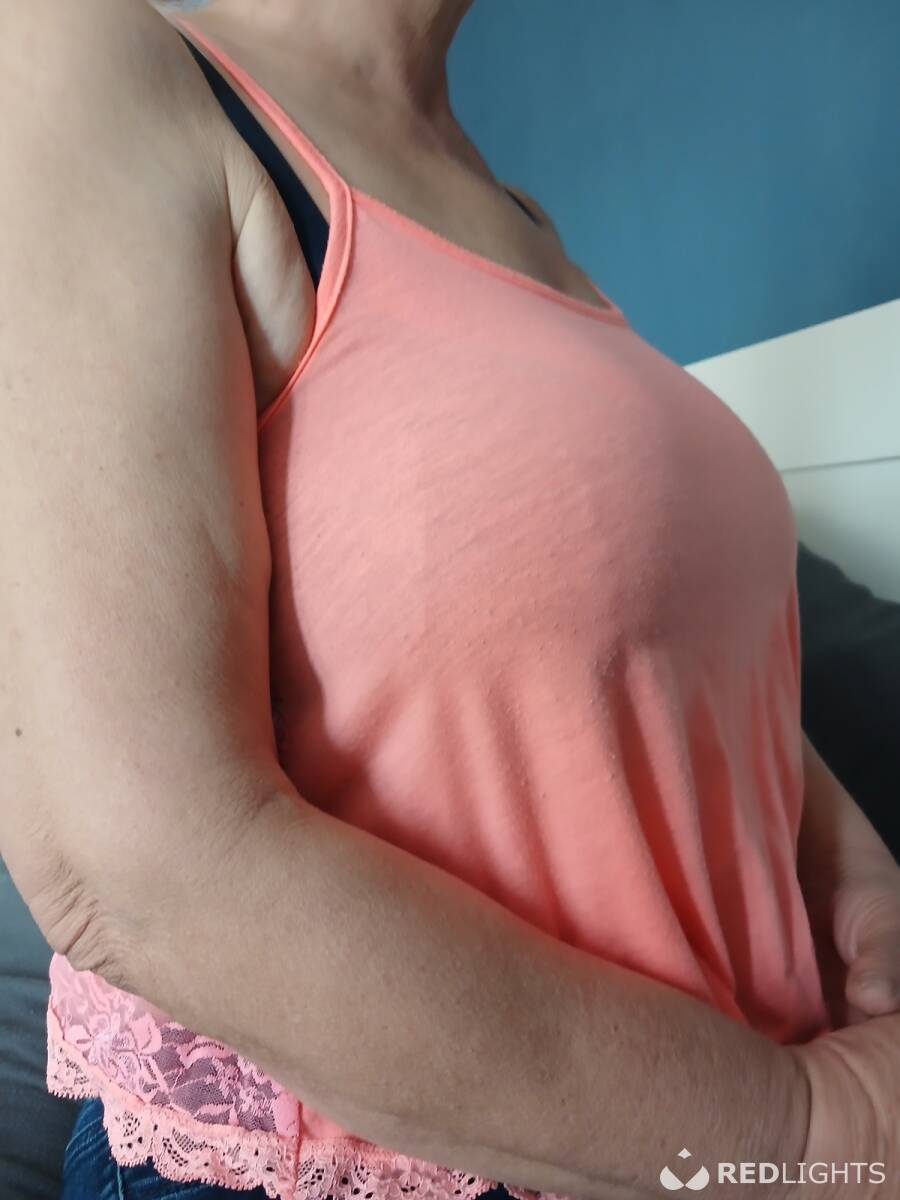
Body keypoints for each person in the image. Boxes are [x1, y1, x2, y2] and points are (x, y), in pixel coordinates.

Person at [1, 1, 898, 1198]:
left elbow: (642, 646)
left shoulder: (519, 214)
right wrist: (806, 1130)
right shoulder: (86, 58)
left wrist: (849, 874)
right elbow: (135, 867)